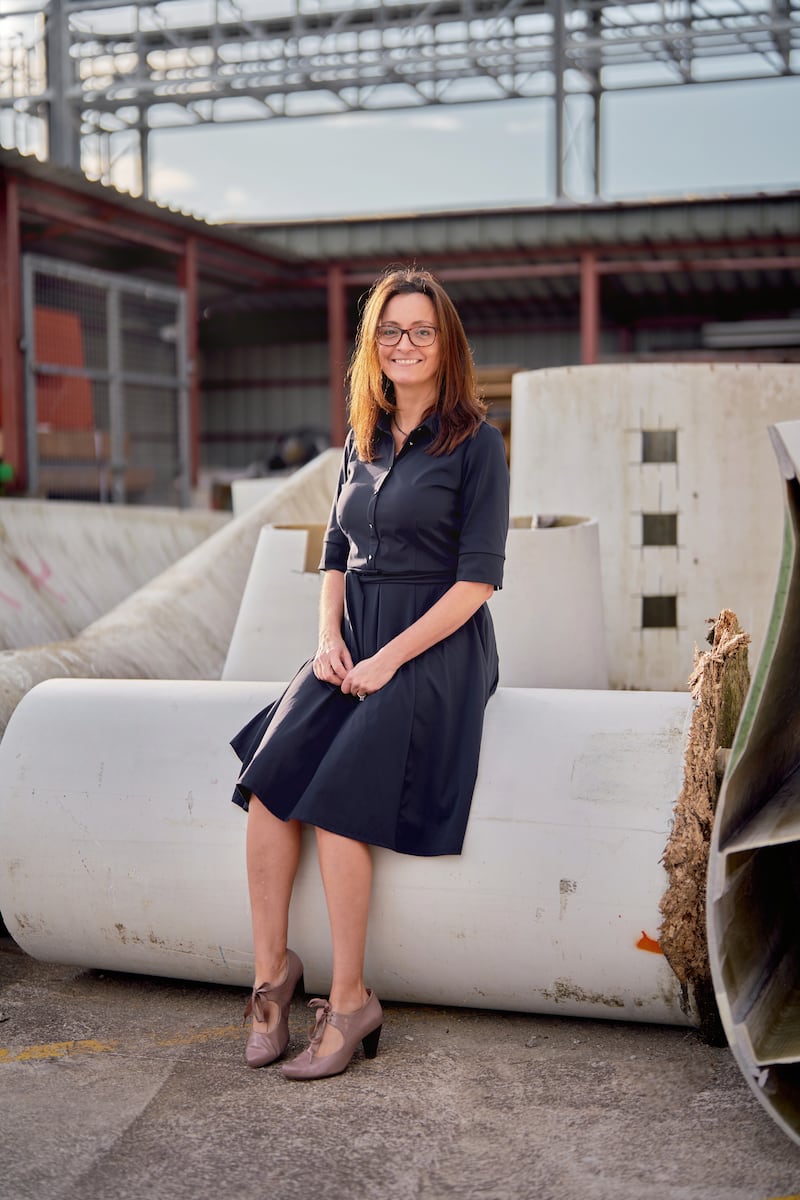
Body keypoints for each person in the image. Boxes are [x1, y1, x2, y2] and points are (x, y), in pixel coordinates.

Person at [230, 265, 510, 1081]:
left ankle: (351, 1003)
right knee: (268, 783)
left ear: (445, 342)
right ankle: (270, 976)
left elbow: (478, 581)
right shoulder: (361, 435)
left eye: (421, 330)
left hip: (438, 645)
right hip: (353, 640)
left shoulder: (476, 444)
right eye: (390, 330)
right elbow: (336, 555)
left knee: (342, 799)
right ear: (372, 344)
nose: (405, 343)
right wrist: (330, 640)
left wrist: (390, 659)